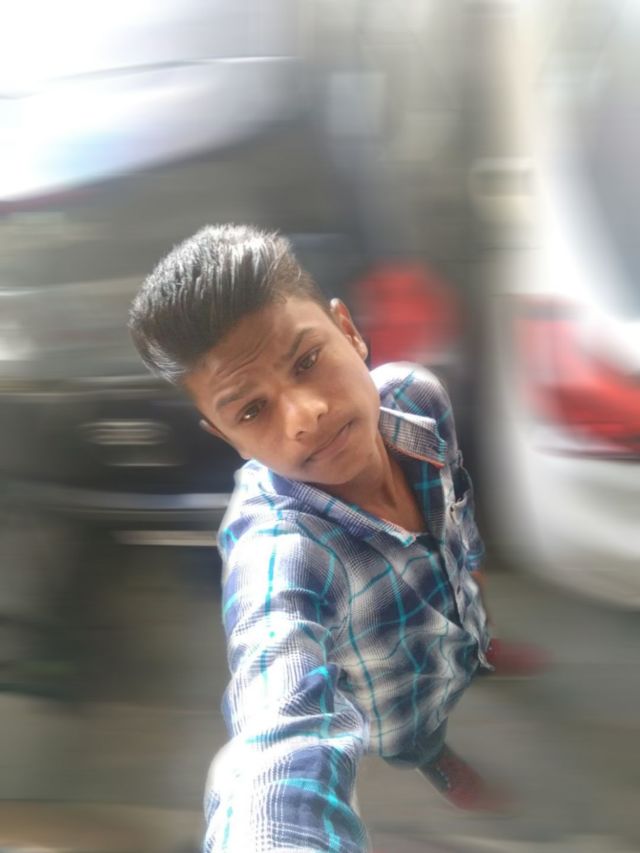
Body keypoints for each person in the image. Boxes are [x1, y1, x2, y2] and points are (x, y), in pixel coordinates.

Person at [128, 224, 546, 852]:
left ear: (348, 331)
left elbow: (456, 504)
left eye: (306, 362)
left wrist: (473, 575)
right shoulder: (282, 554)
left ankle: (483, 650)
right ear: (226, 436)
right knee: (419, 743)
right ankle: (441, 765)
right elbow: (276, 731)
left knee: (475, 634)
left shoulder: (418, 396)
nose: (306, 416)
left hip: (464, 613)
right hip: (402, 705)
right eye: (251, 410)